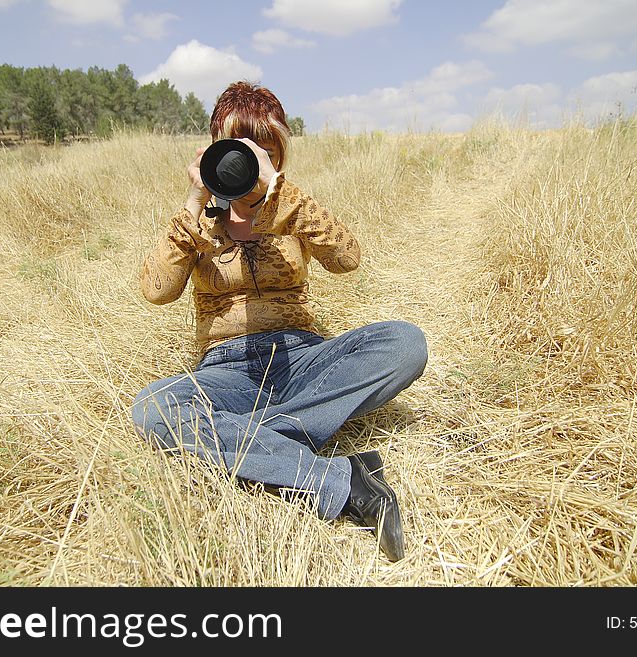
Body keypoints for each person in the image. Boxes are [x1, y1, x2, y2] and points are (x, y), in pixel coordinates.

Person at [131, 81, 427, 561]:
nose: (249, 161)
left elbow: (348, 257)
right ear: (214, 148)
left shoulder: (288, 207)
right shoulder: (200, 222)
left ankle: (244, 437)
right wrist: (196, 198)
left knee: (404, 343)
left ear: (280, 155)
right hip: (226, 370)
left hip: (303, 355)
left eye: (265, 151)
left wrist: (278, 191)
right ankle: (345, 480)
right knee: (154, 409)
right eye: (237, 150)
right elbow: (156, 291)